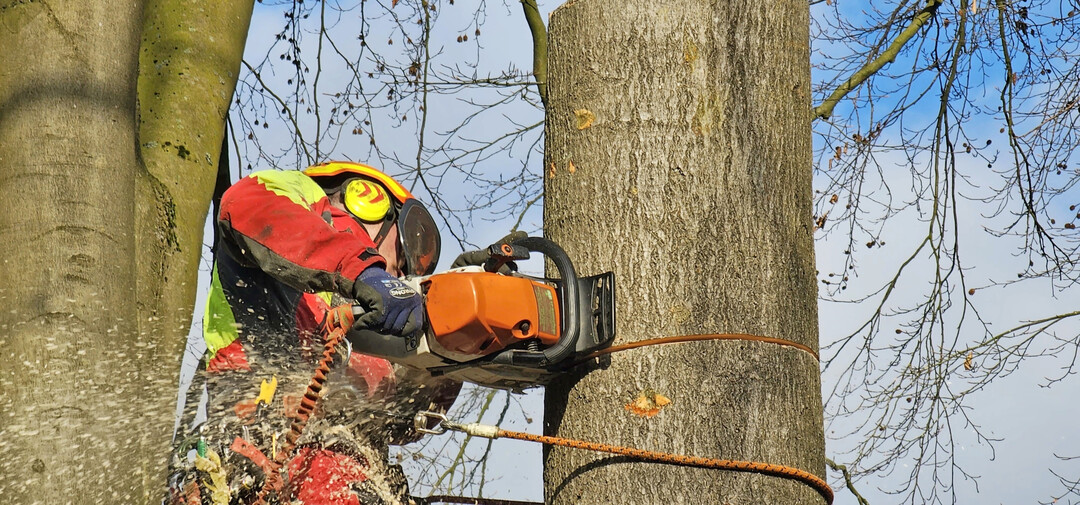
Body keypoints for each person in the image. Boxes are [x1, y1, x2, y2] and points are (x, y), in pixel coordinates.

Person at [169, 161, 461, 505]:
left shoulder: (350, 321)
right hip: (271, 457)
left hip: (343, 473)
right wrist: (364, 270)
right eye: (405, 252)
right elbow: (247, 203)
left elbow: (400, 421)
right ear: (367, 200)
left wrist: (453, 346)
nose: (402, 271)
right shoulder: (291, 202)